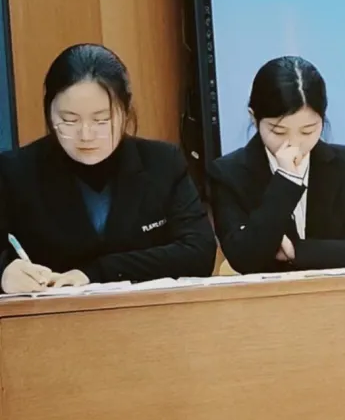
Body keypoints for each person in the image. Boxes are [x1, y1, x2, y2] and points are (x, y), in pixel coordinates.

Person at [0, 44, 216, 294]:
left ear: (126, 111)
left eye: (102, 120)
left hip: (147, 313)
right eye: (69, 120)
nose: (86, 135)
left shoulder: (162, 163)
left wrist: (96, 273)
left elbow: (198, 252)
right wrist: (4, 273)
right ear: (49, 113)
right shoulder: (15, 172)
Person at [209, 56, 345, 273]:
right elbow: (244, 257)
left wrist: (299, 251)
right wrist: (286, 181)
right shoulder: (228, 173)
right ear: (254, 118)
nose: (294, 144)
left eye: (307, 131)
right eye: (278, 132)